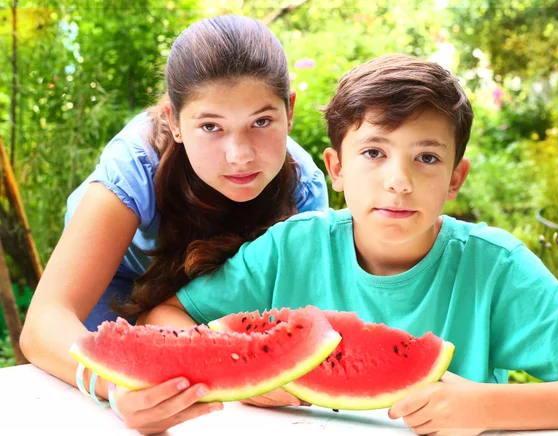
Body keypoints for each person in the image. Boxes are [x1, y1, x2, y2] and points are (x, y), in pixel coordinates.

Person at [142, 53, 558, 434]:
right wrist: (240, 370)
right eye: (374, 153)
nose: (398, 182)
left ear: (455, 178)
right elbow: (164, 316)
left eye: (426, 157)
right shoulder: (291, 248)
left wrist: (487, 407)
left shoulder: (495, 269)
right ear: (336, 168)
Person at [20, 14, 328, 435]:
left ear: (289, 110)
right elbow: (43, 324)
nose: (240, 155)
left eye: (261, 122)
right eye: (210, 126)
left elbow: (290, 329)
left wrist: (243, 362)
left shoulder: (305, 190)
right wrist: (114, 387)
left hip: (204, 305)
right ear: (174, 120)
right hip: (110, 293)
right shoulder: (134, 164)